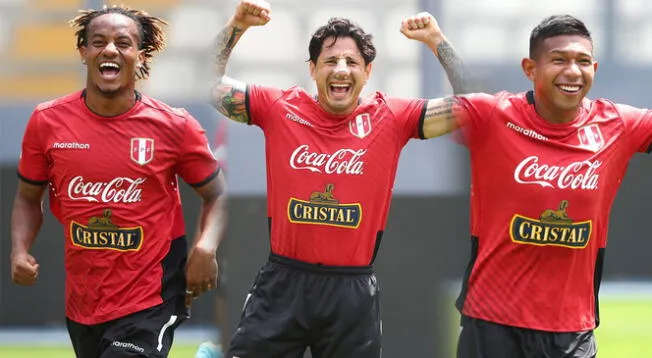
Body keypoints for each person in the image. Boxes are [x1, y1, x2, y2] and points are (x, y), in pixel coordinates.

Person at [212, 1, 470, 357]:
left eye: (352, 62)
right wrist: (237, 24)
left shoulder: (391, 116)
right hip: (283, 284)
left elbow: (471, 108)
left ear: (367, 71)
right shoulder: (280, 107)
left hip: (351, 292)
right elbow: (211, 85)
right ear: (313, 69)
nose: (341, 70)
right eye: (331, 61)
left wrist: (436, 40)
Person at [416, 12, 652, 358]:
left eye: (583, 61)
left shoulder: (618, 124)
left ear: (594, 70)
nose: (573, 71)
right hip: (492, 324)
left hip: (571, 330)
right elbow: (450, 98)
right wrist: (437, 42)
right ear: (530, 69)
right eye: (559, 60)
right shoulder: (495, 115)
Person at [10, 5, 227, 358]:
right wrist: (20, 249)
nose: (110, 49)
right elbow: (26, 197)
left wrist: (206, 246)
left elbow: (218, 196)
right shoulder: (46, 122)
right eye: (98, 41)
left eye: (123, 43)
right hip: (83, 304)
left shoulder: (175, 126)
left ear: (140, 55)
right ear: (83, 52)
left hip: (152, 298)